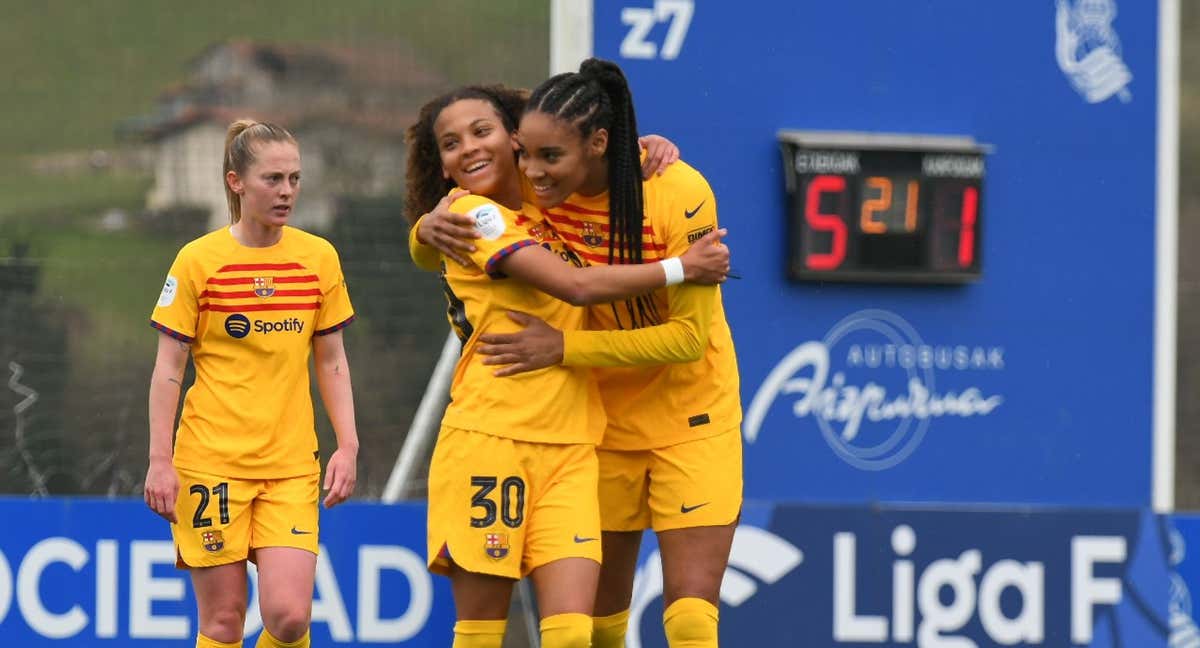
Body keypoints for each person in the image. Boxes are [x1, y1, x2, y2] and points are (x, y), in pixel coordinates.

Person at [411, 60, 742, 648]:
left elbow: (690, 338)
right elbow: (571, 282)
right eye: (451, 143)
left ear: (594, 145)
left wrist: (565, 347)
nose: (536, 171)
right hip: (571, 429)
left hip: (676, 421)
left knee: (682, 621)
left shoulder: (660, 189)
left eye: (547, 155)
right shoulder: (511, 205)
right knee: (585, 629)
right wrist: (423, 228)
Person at [143, 119, 360, 648]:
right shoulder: (198, 260)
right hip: (211, 464)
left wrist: (347, 445)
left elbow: (331, 359)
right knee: (223, 622)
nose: (286, 191)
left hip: (289, 466)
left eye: (294, 178)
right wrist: (160, 460)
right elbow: (169, 366)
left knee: (289, 619)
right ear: (236, 182)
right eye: (273, 179)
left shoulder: (318, 257)